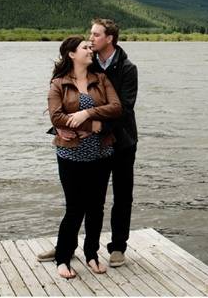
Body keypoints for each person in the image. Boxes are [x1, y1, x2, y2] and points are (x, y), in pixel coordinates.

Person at [38, 19, 138, 268]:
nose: (91, 39)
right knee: (79, 202)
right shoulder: (83, 69)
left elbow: (123, 109)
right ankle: (67, 247)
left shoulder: (126, 68)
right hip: (85, 145)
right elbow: (61, 108)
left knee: (121, 196)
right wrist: (62, 127)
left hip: (121, 140)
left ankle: (117, 247)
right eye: (89, 36)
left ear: (109, 38)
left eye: (95, 34)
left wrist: (95, 125)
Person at [47, 35, 122, 278]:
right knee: (74, 208)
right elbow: (56, 117)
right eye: (85, 48)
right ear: (71, 54)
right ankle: (63, 257)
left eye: (91, 46)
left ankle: (91, 254)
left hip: (101, 153)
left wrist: (86, 115)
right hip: (70, 155)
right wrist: (95, 126)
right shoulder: (59, 83)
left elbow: (116, 107)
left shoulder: (100, 79)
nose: (91, 50)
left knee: (96, 207)